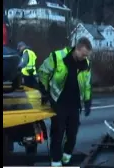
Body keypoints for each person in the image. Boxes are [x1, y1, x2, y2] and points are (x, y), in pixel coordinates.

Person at [38, 37, 93, 167]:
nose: (85, 57)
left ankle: (66, 158)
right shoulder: (57, 57)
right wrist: (44, 91)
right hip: (59, 102)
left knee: (72, 133)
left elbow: (87, 84)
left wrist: (87, 100)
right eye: (84, 54)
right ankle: (56, 162)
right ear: (77, 49)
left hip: (74, 104)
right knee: (58, 133)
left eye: (87, 55)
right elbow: (43, 72)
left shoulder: (86, 64)